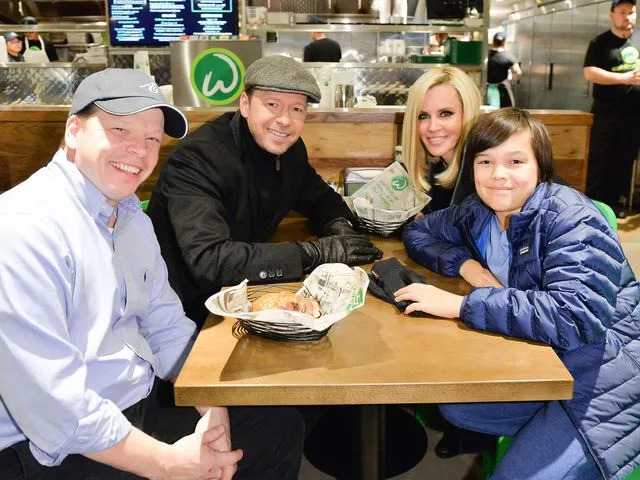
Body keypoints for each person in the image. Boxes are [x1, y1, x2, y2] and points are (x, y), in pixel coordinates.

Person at [0, 68, 305, 480]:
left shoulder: (130, 218)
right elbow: (54, 406)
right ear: (74, 131)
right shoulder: (23, 228)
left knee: (276, 428)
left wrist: (213, 412)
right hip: (42, 445)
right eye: (121, 130)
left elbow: (165, 325)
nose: (139, 151)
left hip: (132, 401)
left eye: (151, 139)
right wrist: (167, 465)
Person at [399, 108, 640, 480]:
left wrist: (463, 305)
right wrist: (467, 267)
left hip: (607, 379)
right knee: (457, 408)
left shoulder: (570, 217)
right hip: (547, 360)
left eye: (515, 161)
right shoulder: (477, 211)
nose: (498, 174)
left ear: (540, 168)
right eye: (486, 161)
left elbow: (574, 316)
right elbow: (418, 233)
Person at [148, 55, 382, 329]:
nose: (284, 120)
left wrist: (339, 226)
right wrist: (313, 254)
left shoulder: (290, 150)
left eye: (297, 109)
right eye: (272, 104)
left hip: (241, 294)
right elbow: (209, 260)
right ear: (245, 105)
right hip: (184, 309)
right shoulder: (198, 158)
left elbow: (319, 197)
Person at [583, 0, 640, 219]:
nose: (627, 16)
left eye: (631, 12)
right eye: (622, 12)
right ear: (612, 15)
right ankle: (594, 205)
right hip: (606, 113)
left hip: (634, 114)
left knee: (624, 159)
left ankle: (616, 203)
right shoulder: (600, 42)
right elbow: (589, 73)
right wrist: (624, 78)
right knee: (599, 159)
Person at [401, 66, 482, 214]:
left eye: (445, 113)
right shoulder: (437, 165)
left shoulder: (480, 174)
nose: (432, 127)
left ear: (467, 113)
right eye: (423, 116)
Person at [487, 32, 521, 107]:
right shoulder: (508, 56)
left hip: (485, 88)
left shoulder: (486, 55)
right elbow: (518, 72)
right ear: (504, 42)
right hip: (502, 89)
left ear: (493, 42)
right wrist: (511, 80)